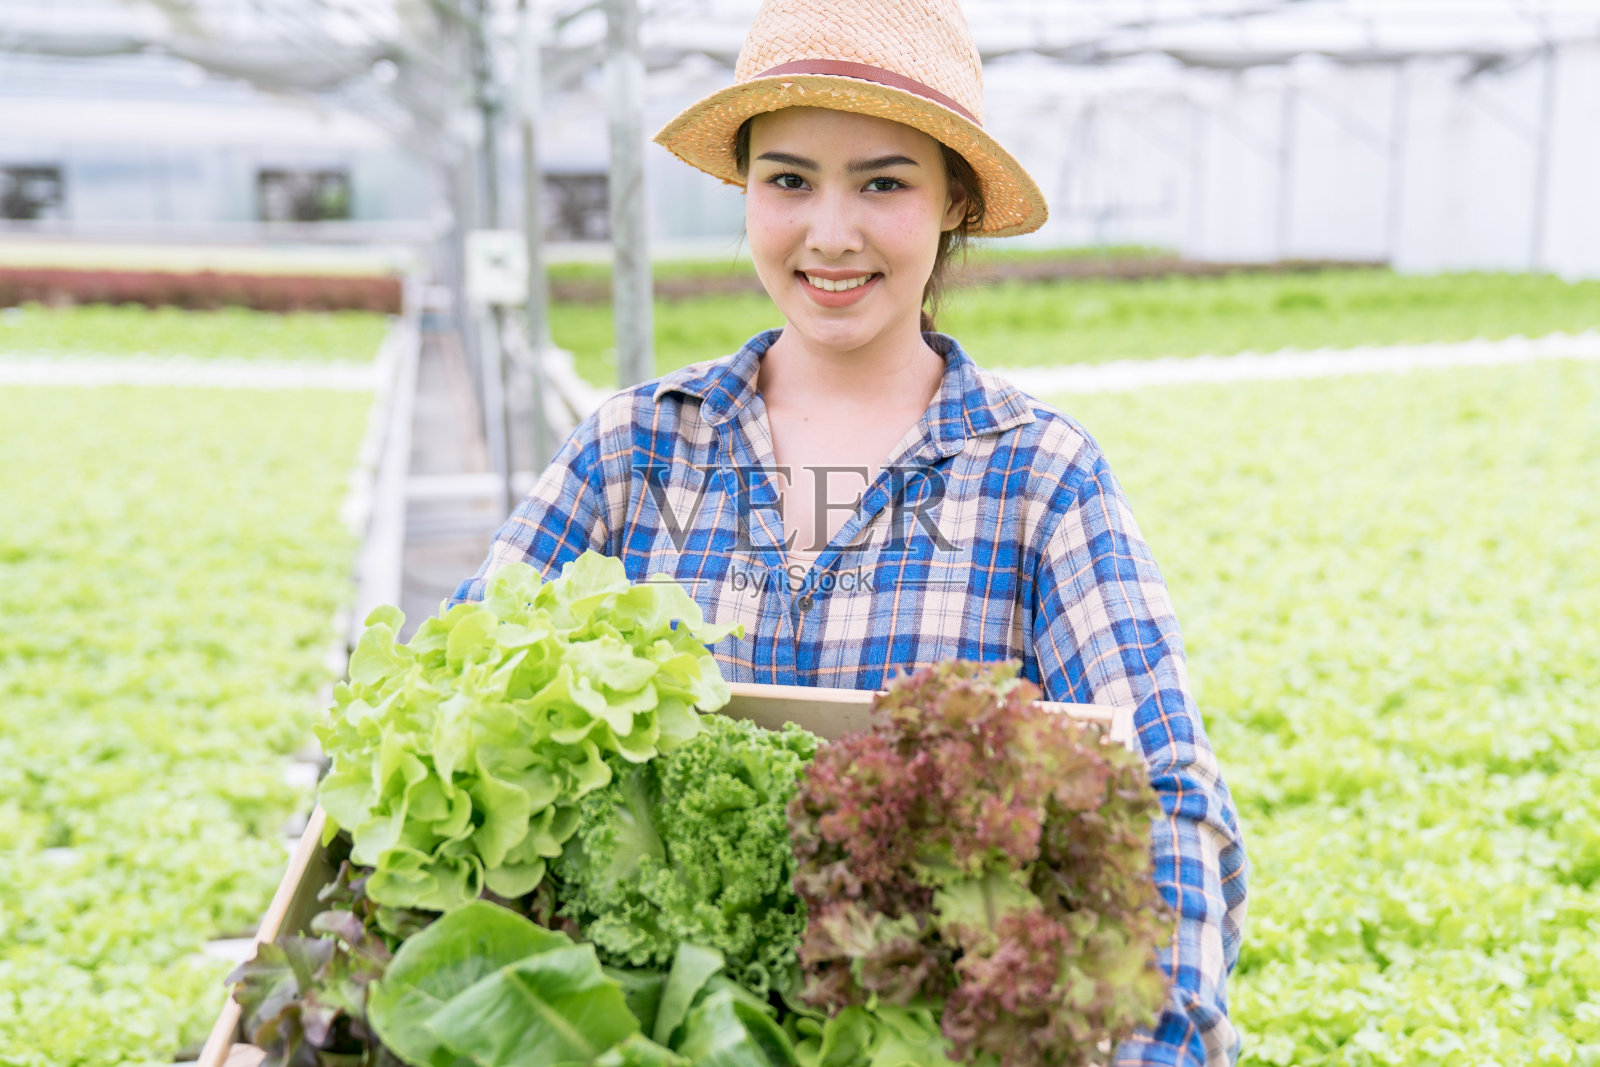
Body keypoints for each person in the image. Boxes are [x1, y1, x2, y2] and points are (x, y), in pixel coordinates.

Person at [451, 0, 1247, 1062]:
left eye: (882, 182)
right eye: (787, 180)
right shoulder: (631, 452)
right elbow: (454, 716)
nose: (830, 232)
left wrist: (1163, 1036)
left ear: (953, 198)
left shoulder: (1035, 476)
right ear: (744, 192)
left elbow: (1165, 792)